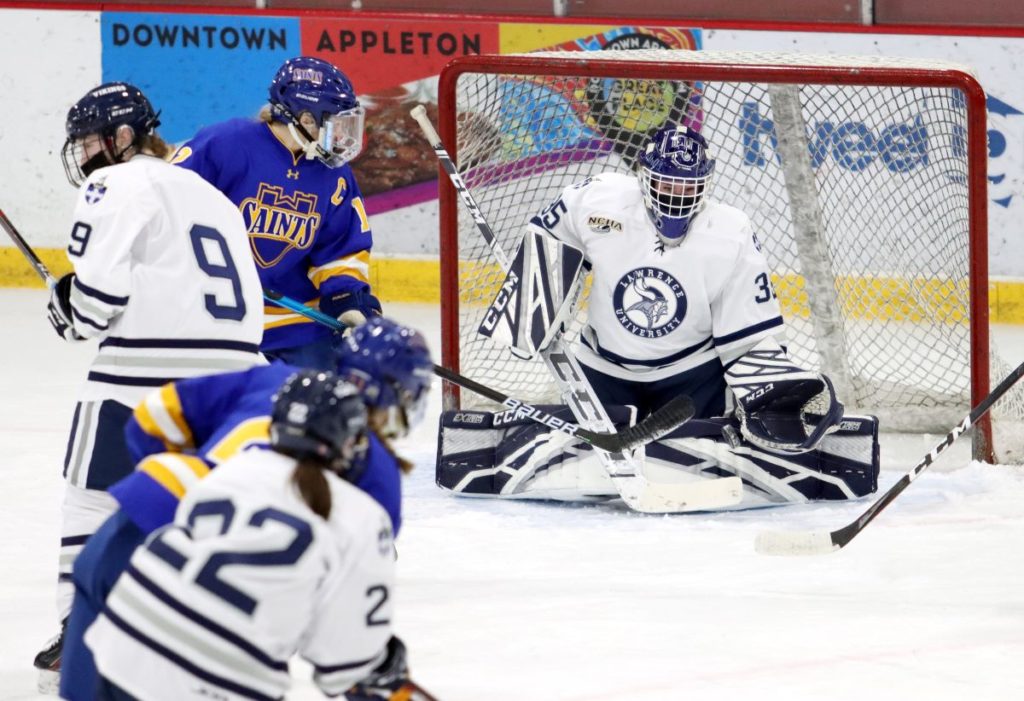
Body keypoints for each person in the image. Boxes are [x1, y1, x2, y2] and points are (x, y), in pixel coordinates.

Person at [436, 123, 879, 507]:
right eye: (667, 185)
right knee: (597, 454)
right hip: (603, 366)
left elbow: (749, 327)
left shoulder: (730, 232)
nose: (676, 196)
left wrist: (766, 387)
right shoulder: (599, 201)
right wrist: (538, 295)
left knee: (700, 449)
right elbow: (556, 226)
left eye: (688, 187)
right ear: (644, 178)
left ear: (705, 184)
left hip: (691, 376)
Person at [58, 317, 433, 699]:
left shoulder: (278, 380)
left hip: (128, 542)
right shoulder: (379, 476)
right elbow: (345, 599)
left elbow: (154, 415)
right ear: (399, 397)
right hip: (228, 619)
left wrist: (185, 490)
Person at [36, 82, 264, 691]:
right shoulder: (208, 192)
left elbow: (95, 302)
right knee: (195, 507)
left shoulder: (115, 182)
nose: (83, 155)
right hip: (237, 380)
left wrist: (68, 309)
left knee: (90, 499)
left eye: (89, 141)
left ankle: (81, 629)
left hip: (143, 378)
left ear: (123, 138)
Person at [171, 55, 382, 369]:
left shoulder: (333, 173)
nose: (342, 136)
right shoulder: (224, 145)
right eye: (335, 123)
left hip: (295, 319)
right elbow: (167, 205)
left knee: (324, 406)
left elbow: (340, 250)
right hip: (217, 314)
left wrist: (346, 301)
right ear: (306, 119)